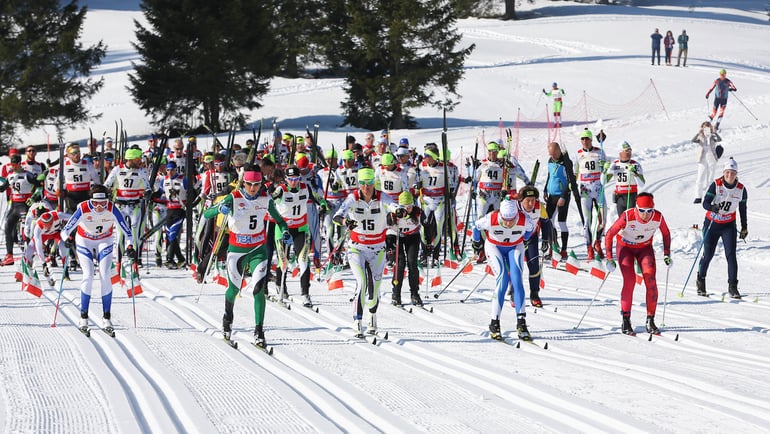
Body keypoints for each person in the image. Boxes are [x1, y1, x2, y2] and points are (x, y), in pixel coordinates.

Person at [203, 166, 288, 347]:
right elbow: (207, 213)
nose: (252, 188)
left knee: (258, 289)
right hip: (236, 250)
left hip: (258, 250)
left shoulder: (265, 199)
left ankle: (259, 331)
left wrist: (285, 231)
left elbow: (280, 220)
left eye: (256, 184)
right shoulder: (234, 197)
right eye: (249, 184)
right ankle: (227, 321)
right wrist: (221, 208)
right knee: (233, 290)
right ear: (244, 183)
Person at [333, 167, 398, 337]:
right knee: (361, 283)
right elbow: (337, 216)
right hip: (357, 247)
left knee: (375, 288)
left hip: (378, 248)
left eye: (369, 184)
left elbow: (393, 205)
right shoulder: (352, 198)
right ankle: (357, 321)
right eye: (362, 184)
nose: (366, 187)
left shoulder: (381, 197)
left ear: (374, 183)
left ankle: (372, 317)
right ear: (358, 184)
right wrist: (346, 221)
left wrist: (399, 211)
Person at [60, 185, 135, 332]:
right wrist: (67, 239)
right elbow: (65, 230)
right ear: (91, 201)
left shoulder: (112, 208)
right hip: (84, 240)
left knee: (105, 275)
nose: (100, 207)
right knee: (88, 275)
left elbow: (128, 232)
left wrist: (130, 246)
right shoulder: (83, 208)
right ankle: (84, 316)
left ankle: (106, 317)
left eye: (103, 203)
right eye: (95, 203)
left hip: (104, 240)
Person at [604, 192, 672, 335]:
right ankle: (626, 320)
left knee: (651, 281)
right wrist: (609, 258)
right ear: (636, 208)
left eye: (649, 211)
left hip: (644, 248)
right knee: (630, 280)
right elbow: (610, 234)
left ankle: (650, 320)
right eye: (642, 211)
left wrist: (667, 254)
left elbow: (666, 233)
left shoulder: (657, 217)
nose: (646, 215)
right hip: (625, 248)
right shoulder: (628, 216)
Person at [476, 199, 535, 341]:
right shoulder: (491, 218)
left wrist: (525, 238)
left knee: (517, 281)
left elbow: (531, 229)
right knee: (502, 279)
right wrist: (476, 242)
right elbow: (476, 226)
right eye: (505, 220)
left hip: (515, 247)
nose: (508, 223)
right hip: (494, 247)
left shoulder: (524, 219)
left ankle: (521, 323)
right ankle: (494, 322)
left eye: (512, 220)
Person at [696, 158, 747, 299]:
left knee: (731, 256)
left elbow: (743, 209)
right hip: (712, 224)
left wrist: (744, 227)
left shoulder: (741, 189)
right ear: (724, 173)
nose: (730, 175)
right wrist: (712, 207)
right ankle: (700, 280)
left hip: (728, 225)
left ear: (736, 174)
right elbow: (705, 202)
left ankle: (733, 287)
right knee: (708, 255)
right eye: (727, 172)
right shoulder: (716, 185)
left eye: (733, 173)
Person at [1, 155, 40, 265]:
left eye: (14, 165)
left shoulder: (28, 175)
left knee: (27, 230)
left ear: (19, 163)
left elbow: (39, 185)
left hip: (24, 205)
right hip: (14, 206)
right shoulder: (10, 176)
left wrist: (34, 197)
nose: (13, 167)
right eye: (11, 165)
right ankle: (9, 256)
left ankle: (30, 254)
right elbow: (2, 188)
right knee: (7, 227)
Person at [575, 129, 608, 260]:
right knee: (587, 221)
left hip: (598, 189)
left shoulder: (599, 151)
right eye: (582, 139)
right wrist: (572, 184)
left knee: (603, 219)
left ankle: (598, 243)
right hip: (585, 191)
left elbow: (606, 168)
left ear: (591, 140)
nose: (585, 141)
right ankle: (589, 248)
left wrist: (604, 166)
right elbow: (575, 172)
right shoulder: (578, 154)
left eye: (587, 139)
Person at [517, 186, 551, 308]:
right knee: (516, 266)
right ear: (521, 200)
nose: (531, 203)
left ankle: (534, 294)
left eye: (533, 200)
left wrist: (546, 239)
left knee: (534, 266)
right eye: (528, 200)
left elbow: (546, 223)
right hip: (516, 239)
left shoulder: (539, 207)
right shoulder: (515, 206)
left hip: (531, 238)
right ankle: (513, 292)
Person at [390, 190, 423, 307]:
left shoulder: (417, 212)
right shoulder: (394, 213)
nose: (407, 209)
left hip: (413, 237)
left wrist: (428, 243)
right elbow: (387, 228)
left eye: (409, 206)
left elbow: (426, 226)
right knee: (400, 263)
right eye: (404, 207)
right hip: (398, 237)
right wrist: (389, 243)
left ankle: (415, 293)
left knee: (412, 263)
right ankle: (396, 294)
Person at [543, 142, 573, 261]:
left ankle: (564, 249)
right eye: (551, 154)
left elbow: (571, 182)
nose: (553, 156)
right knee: (548, 221)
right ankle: (553, 247)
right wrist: (545, 189)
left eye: (554, 153)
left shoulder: (566, 162)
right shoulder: (551, 160)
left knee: (561, 222)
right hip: (552, 195)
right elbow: (550, 176)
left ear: (559, 150)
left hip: (562, 195)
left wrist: (563, 196)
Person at [606, 141, 645, 216]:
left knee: (630, 220)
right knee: (621, 220)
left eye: (630, 150)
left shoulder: (635, 164)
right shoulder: (615, 164)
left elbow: (642, 184)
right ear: (620, 152)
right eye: (626, 151)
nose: (629, 153)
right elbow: (604, 182)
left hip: (631, 196)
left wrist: (635, 173)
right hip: (619, 197)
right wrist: (605, 171)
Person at [692, 121, 722, 204]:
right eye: (705, 127)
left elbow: (719, 139)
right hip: (702, 159)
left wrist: (714, 132)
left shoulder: (713, 136)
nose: (706, 129)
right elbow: (693, 140)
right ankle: (698, 197)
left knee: (710, 179)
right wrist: (699, 132)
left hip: (712, 159)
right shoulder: (700, 136)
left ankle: (709, 197)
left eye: (708, 127)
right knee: (700, 178)